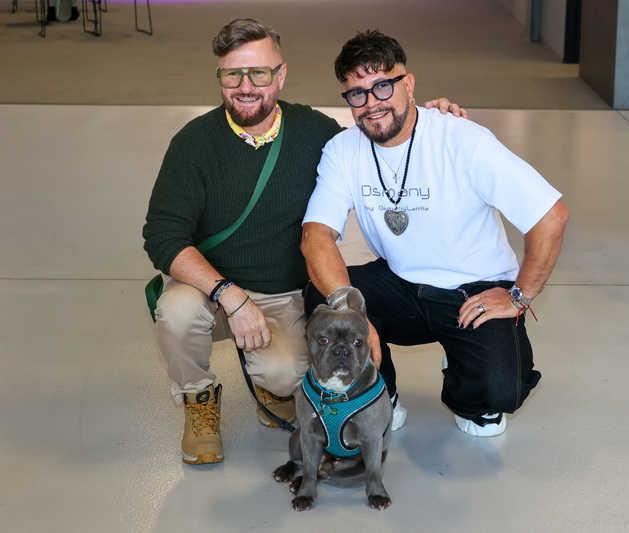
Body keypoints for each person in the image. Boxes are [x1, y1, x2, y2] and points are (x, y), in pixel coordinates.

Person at [143, 19, 464, 465]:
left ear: (281, 75)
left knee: (289, 375)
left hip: (282, 294)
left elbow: (379, 141)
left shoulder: (316, 133)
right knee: (175, 313)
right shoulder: (193, 143)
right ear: (220, 77)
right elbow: (161, 235)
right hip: (209, 289)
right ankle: (198, 401)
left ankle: (268, 384)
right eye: (232, 74)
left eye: (259, 73)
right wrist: (228, 295)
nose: (245, 86)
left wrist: (429, 118)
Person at [301, 30, 569, 437]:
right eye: (357, 93)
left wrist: (519, 296)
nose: (371, 103)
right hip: (401, 282)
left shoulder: (463, 140)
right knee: (325, 293)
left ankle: (466, 388)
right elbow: (316, 237)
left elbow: (551, 216)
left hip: (473, 291)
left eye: (382, 86)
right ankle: (377, 393)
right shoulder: (343, 150)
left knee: (501, 391)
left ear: (408, 84)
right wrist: (351, 311)